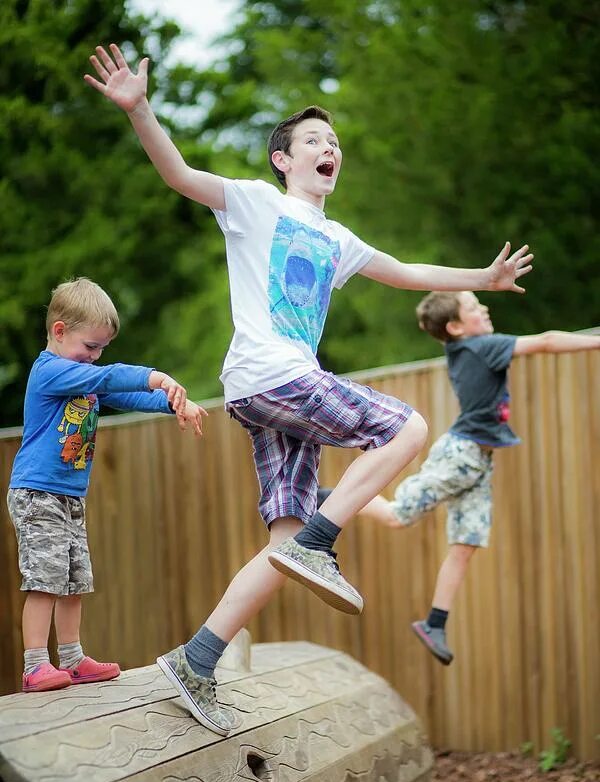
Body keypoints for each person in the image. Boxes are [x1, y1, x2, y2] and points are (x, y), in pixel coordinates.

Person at [84, 43, 533, 734]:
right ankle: (318, 541)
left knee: (281, 536)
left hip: (269, 394)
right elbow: (177, 174)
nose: (331, 149)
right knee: (407, 428)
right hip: (274, 375)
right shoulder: (257, 204)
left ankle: (197, 657)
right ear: (283, 159)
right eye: (315, 141)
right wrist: (139, 108)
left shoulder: (338, 238)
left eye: (335, 143)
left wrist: (482, 277)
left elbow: (409, 271)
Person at [323, 290, 600, 665]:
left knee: (466, 543)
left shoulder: (466, 348)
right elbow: (547, 341)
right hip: (460, 455)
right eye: (473, 307)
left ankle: (435, 622)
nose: (483, 308)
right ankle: (325, 498)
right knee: (396, 516)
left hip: (480, 460)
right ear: (455, 327)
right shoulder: (480, 346)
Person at [7, 277, 206, 692]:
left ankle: (74, 659)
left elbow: (125, 396)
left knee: (74, 580)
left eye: (101, 350)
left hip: (69, 496)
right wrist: (155, 376)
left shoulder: (81, 373)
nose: (94, 358)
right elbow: (112, 380)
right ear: (60, 332)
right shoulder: (51, 372)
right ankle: (34, 664)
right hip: (37, 492)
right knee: (45, 579)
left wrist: (174, 404)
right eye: (90, 347)